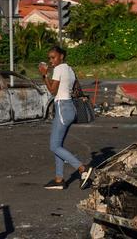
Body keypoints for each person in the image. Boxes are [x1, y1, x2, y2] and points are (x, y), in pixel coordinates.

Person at [38, 46, 93, 190]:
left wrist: (44, 76)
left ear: (61, 56)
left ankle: (82, 168)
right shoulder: (70, 69)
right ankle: (59, 179)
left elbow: (52, 91)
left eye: (53, 57)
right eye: (49, 58)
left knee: (54, 146)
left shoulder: (59, 68)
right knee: (58, 145)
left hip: (62, 108)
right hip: (70, 108)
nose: (51, 61)